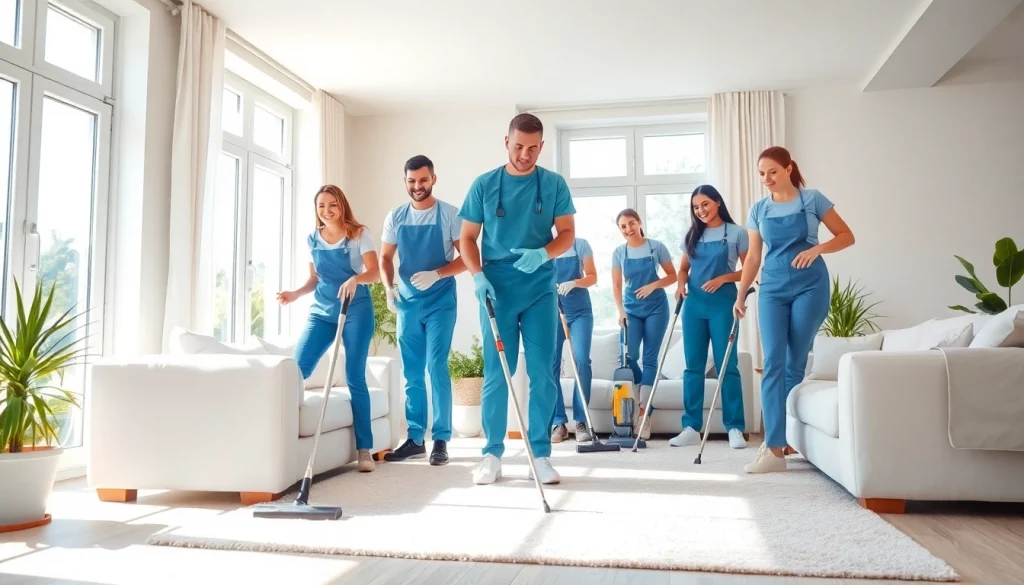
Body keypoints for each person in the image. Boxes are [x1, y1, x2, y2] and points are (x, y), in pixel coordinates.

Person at [459, 113, 576, 486]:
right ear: (506, 142)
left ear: (542, 146)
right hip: (497, 289)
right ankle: (492, 454)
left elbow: (568, 234)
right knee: (498, 374)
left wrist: (543, 254)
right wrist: (478, 276)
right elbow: (466, 238)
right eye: (518, 146)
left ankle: (539, 455)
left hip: (540, 286)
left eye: (532, 148)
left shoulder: (554, 184)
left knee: (543, 372)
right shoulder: (484, 184)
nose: (525, 154)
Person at [735, 146, 854, 473]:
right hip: (772, 288)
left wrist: (817, 249)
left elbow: (846, 236)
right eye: (761, 174)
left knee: (794, 361)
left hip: (810, 286)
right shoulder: (758, 209)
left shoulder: (812, 199)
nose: (766, 179)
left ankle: (784, 439)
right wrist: (741, 293)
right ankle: (773, 450)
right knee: (773, 361)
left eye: (772, 171)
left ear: (789, 168)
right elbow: (754, 258)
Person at [277, 185, 380, 473]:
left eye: (332, 205)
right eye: (321, 206)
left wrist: (356, 280)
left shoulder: (359, 234)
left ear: (342, 205)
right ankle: (279, 437)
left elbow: (375, 272)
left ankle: (364, 450)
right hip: (322, 312)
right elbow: (315, 278)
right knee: (295, 370)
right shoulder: (312, 238)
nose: (327, 210)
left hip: (356, 311)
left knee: (354, 376)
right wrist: (296, 293)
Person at [379, 155, 465, 466]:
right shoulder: (396, 217)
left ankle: (440, 438)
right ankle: (415, 438)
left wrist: (438, 273)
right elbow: (386, 258)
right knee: (412, 372)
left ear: (434, 179)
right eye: (412, 181)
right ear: (406, 182)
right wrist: (388, 288)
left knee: (436, 367)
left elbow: (467, 257)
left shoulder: (450, 215)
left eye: (423, 180)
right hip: (407, 304)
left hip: (441, 301)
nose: (418, 186)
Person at [669, 185, 748, 450]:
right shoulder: (692, 235)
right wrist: (680, 285)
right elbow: (682, 269)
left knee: (728, 365)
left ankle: (735, 427)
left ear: (717, 202)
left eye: (704, 204)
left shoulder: (737, 233)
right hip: (693, 307)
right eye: (695, 207)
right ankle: (691, 426)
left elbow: (749, 269)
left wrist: (724, 278)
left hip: (723, 304)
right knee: (693, 367)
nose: (700, 210)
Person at [611, 209, 677, 440]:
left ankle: (643, 415)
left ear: (639, 222)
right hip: (631, 310)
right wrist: (620, 311)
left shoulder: (655, 247)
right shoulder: (619, 252)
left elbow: (673, 276)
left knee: (650, 359)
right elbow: (617, 286)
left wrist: (654, 285)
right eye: (623, 226)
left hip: (657, 308)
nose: (628, 229)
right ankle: (643, 391)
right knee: (628, 357)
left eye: (631, 223)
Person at [549, 234, 598, 443]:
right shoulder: (543, 247)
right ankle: (559, 422)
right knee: (551, 365)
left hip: (580, 313)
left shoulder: (580, 245)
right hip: (551, 312)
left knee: (582, 361)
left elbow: (593, 276)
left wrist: (575, 282)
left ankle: (581, 421)